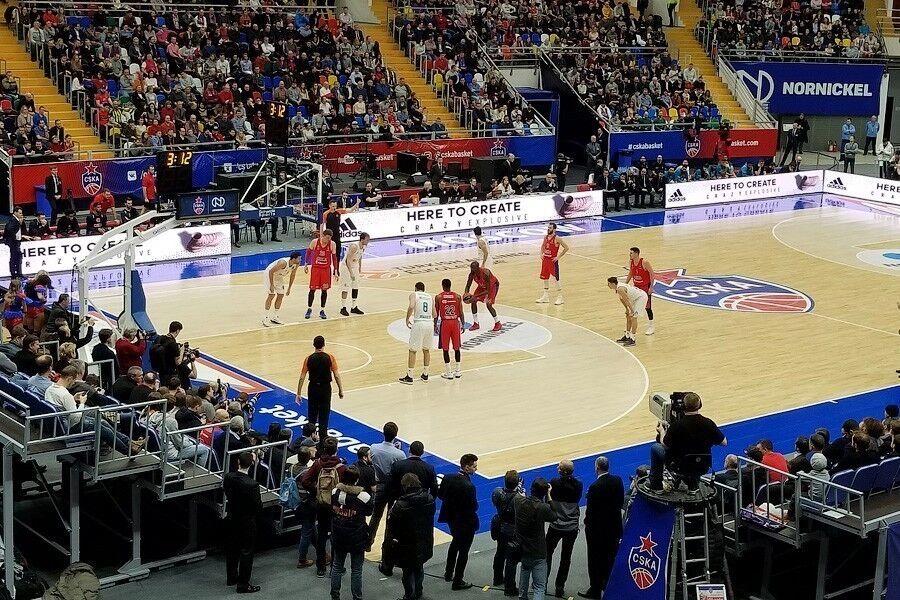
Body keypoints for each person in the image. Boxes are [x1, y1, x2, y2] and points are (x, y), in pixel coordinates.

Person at [648, 392, 726, 491]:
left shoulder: (677, 425)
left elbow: (665, 444)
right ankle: (693, 484)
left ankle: (656, 485)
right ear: (700, 405)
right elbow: (724, 443)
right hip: (702, 465)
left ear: (683, 406)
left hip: (680, 465)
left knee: (655, 448)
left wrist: (662, 431)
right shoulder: (708, 423)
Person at [579, 457, 624, 599]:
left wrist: (587, 525)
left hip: (597, 532)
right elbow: (620, 501)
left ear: (597, 468)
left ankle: (595, 590)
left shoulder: (594, 487)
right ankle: (609, 586)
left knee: (594, 560)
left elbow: (590, 512)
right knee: (611, 558)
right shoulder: (617, 480)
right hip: (614, 528)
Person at [301, 436, 347, 578]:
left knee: (321, 535)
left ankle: (320, 567)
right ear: (336, 449)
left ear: (324, 449)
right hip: (335, 505)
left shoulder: (317, 464)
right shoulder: (341, 467)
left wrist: (317, 490)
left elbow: (305, 481)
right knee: (335, 536)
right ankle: (335, 567)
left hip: (321, 504)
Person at [387, 473, 435, 600]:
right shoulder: (429, 498)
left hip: (406, 543)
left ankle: (409, 596)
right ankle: (418, 592)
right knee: (419, 567)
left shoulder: (400, 504)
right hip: (424, 540)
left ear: (405, 486)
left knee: (407, 572)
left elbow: (392, 525)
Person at [329, 466, 372, 600]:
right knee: (356, 570)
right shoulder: (364, 496)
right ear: (357, 479)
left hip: (338, 534)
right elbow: (369, 512)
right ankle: (357, 597)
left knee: (337, 566)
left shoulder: (335, 492)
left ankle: (335, 595)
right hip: (357, 537)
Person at [438, 453, 479, 591]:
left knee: (455, 543)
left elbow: (441, 495)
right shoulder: (469, 486)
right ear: (466, 467)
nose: (476, 469)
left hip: (451, 518)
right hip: (465, 522)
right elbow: (473, 507)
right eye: (474, 466)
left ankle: (448, 573)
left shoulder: (448, 477)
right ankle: (458, 580)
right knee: (463, 551)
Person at [223, 451, 262, 594]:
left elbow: (227, 492)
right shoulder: (252, 485)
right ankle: (243, 584)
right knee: (246, 551)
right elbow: (258, 506)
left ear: (238, 462)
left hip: (232, 517)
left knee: (232, 549)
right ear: (251, 465)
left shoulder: (228, 477)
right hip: (247, 521)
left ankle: (232, 577)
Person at [296, 336, 344, 448]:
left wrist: (298, 393)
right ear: (324, 345)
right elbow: (336, 375)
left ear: (314, 345)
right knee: (324, 415)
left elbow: (302, 377)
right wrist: (340, 390)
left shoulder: (308, 359)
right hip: (325, 388)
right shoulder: (330, 357)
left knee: (312, 415)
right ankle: (322, 444)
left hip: (313, 388)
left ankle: (309, 443)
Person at [368, 421, 406, 562]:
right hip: (393, 488)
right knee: (391, 519)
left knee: (375, 516)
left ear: (383, 433)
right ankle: (386, 548)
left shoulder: (373, 447)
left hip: (379, 485)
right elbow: (401, 469)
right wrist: (396, 450)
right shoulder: (400, 454)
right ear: (395, 435)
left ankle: (367, 543)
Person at [514, 477, 556, 600]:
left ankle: (522, 596)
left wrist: (520, 487)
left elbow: (517, 494)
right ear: (544, 492)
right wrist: (549, 496)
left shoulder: (519, 501)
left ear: (532, 489)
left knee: (524, 571)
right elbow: (554, 516)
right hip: (538, 550)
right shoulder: (543, 507)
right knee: (539, 586)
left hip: (523, 547)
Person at [546, 460, 583, 599]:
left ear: (563, 471)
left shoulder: (554, 483)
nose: (557, 467)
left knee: (547, 554)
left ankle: (542, 582)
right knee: (566, 558)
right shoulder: (578, 485)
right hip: (571, 527)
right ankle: (560, 587)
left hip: (555, 525)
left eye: (559, 467)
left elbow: (548, 500)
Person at [491, 470, 522, 596]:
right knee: (511, 559)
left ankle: (497, 578)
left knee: (500, 553)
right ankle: (510, 587)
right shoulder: (519, 498)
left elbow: (497, 502)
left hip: (500, 527)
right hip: (513, 530)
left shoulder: (497, 492)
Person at [399, 282, 436, 385]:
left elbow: (411, 306)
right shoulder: (430, 297)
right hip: (429, 324)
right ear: (424, 289)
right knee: (426, 350)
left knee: (413, 350)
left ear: (415, 288)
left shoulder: (414, 294)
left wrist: (407, 319)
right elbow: (435, 314)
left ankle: (410, 376)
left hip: (419, 323)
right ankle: (425, 374)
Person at [304, 229, 338, 320]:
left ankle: (322, 310)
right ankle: (309, 308)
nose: (328, 240)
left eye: (329, 238)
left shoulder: (332, 244)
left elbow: (334, 258)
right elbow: (308, 252)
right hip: (316, 269)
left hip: (326, 270)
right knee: (312, 289)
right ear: (323, 236)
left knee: (324, 290)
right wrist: (306, 264)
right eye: (327, 238)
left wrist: (336, 270)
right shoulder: (315, 242)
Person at [435, 278, 464, 380]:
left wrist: (435, 325)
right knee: (457, 348)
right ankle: (458, 371)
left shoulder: (438, 297)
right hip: (455, 323)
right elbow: (461, 312)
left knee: (445, 348)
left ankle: (449, 372)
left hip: (445, 324)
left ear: (443, 286)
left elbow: (436, 313)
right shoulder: (458, 296)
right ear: (450, 285)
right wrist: (463, 324)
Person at [607, 276, 648, 347]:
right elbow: (622, 300)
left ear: (613, 284)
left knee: (634, 317)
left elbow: (627, 300)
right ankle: (627, 336)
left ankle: (633, 339)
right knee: (628, 316)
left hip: (640, 298)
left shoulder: (620, 289)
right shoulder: (617, 288)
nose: (608, 285)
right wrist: (627, 309)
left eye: (608, 284)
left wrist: (632, 311)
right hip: (635, 299)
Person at [262, 251, 301, 326]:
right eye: (299, 258)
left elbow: (293, 275)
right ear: (294, 259)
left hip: (279, 277)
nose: (300, 260)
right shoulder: (283, 263)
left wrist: (289, 288)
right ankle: (265, 318)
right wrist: (271, 285)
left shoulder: (296, 264)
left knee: (280, 295)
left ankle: (275, 317)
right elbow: (271, 271)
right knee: (271, 295)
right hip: (269, 275)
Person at [536, 223, 569, 305]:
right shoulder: (545, 237)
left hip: (552, 261)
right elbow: (542, 246)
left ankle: (560, 297)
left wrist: (558, 257)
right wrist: (541, 254)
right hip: (545, 260)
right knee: (545, 278)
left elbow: (566, 248)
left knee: (555, 279)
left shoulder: (557, 238)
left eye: (550, 228)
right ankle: (545, 297)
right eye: (548, 227)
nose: (548, 229)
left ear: (554, 229)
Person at [625, 247, 656, 335]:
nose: (629, 254)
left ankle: (651, 326)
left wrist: (651, 287)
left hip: (646, 286)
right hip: (636, 286)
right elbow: (631, 273)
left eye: (631, 253)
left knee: (647, 307)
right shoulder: (631, 262)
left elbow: (652, 274)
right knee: (634, 305)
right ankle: (631, 326)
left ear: (636, 253)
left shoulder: (644, 262)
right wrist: (625, 284)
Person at [463, 261, 501, 332]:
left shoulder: (486, 273)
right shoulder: (471, 274)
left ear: (478, 268)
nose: (472, 270)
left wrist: (475, 296)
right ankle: (476, 323)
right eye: (471, 268)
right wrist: (466, 294)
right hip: (482, 287)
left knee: (489, 304)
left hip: (492, 286)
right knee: (473, 301)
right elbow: (468, 285)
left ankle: (498, 323)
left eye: (473, 269)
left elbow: (488, 290)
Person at [339, 233, 370, 317]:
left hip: (355, 266)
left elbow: (360, 256)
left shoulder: (364, 246)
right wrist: (351, 273)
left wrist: (359, 267)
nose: (368, 241)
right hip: (346, 267)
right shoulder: (354, 246)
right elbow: (348, 260)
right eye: (367, 239)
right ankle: (343, 308)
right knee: (345, 287)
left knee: (355, 286)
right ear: (362, 239)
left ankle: (354, 307)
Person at [322, 197, 360, 263]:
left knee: (338, 251)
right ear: (329, 206)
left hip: (337, 235)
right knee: (328, 251)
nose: (334, 208)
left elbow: (350, 210)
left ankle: (337, 266)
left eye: (335, 206)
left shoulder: (339, 211)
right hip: (329, 236)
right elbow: (322, 224)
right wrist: (322, 235)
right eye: (333, 206)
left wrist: (357, 203)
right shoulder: (326, 214)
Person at [3, 208, 31, 279]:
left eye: (21, 213)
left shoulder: (16, 220)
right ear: (15, 212)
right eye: (19, 213)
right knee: (14, 258)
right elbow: (9, 228)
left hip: (16, 242)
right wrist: (15, 237)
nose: (21, 214)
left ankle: (18, 273)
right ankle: (14, 274)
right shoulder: (13, 220)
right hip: (13, 242)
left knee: (18, 257)